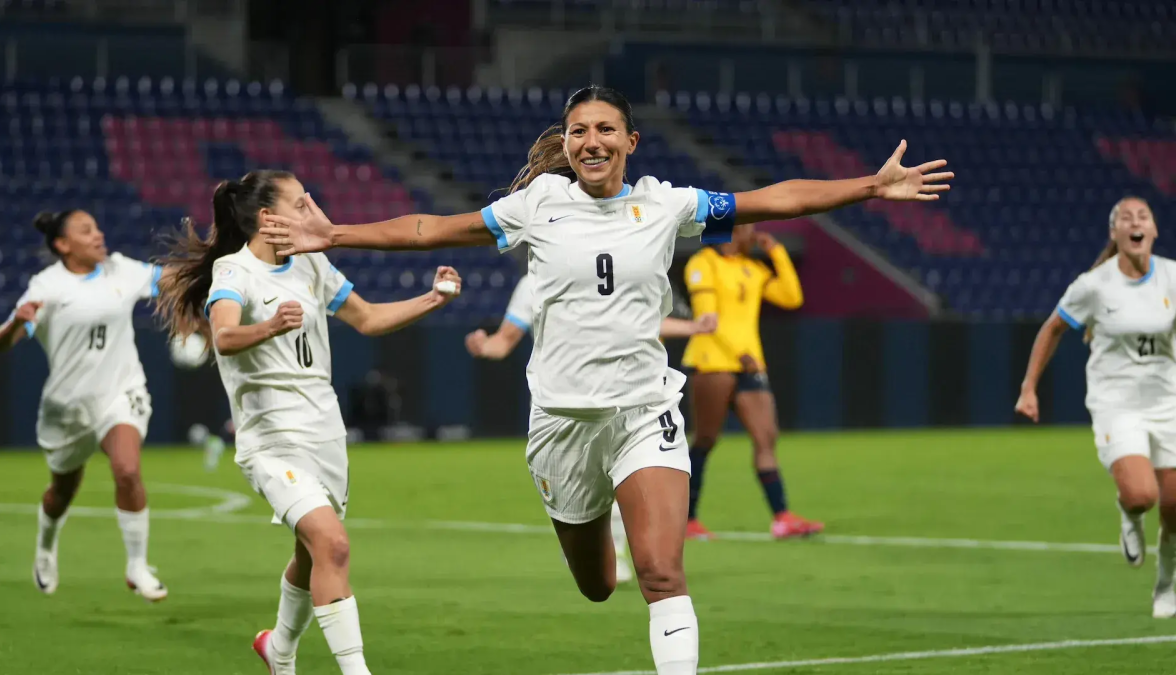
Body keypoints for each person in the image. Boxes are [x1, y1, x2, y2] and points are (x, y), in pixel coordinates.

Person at [260, 86, 951, 674]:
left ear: (630, 141)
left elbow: (774, 200)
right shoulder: (537, 204)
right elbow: (431, 228)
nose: (592, 141)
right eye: (579, 131)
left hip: (643, 412)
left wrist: (869, 186)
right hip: (562, 425)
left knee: (660, 571)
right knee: (597, 584)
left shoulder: (667, 205)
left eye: (606, 129)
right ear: (566, 144)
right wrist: (337, 233)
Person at [155, 170, 462, 675]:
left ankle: (278, 649)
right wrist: (271, 325)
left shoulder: (312, 263)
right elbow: (224, 336)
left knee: (311, 553)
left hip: (325, 433)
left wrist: (434, 299)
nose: (311, 209)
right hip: (272, 442)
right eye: (299, 203)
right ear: (267, 217)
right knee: (333, 544)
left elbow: (368, 319)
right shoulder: (234, 271)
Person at [466, 272, 718, 583]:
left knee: (621, 476)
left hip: (622, 396)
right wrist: (485, 346)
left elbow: (641, 323)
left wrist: (693, 328)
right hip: (559, 407)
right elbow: (505, 340)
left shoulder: (609, 264)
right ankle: (582, 542)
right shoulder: (534, 281)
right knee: (578, 493)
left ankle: (619, 554)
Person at [0, 209, 167, 601]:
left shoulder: (121, 270)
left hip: (120, 391)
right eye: (86, 231)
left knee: (127, 469)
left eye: (97, 227)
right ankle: (45, 548)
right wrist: (17, 322)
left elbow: (172, 279)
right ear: (63, 244)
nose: (98, 235)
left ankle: (137, 566)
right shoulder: (47, 286)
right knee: (61, 492)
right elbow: (1, 343)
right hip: (68, 406)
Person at [1016, 196, 1176, 619]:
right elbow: (1052, 329)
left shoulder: (1172, 277)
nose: (1135, 222)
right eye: (1126, 218)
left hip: (1167, 401)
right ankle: (1128, 512)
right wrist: (1029, 387)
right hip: (1116, 403)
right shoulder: (1094, 286)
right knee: (1142, 495)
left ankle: (1166, 584)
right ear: (1114, 232)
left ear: (1154, 230)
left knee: (1175, 506)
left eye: (1143, 216)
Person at [681, 223, 821, 540]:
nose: (753, 235)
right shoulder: (703, 263)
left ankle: (782, 518)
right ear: (732, 231)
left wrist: (777, 252)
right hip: (712, 362)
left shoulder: (752, 268)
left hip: (750, 364)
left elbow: (792, 297)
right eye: (748, 229)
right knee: (705, 440)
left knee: (766, 438)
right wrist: (738, 352)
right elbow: (706, 319)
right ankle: (688, 519)